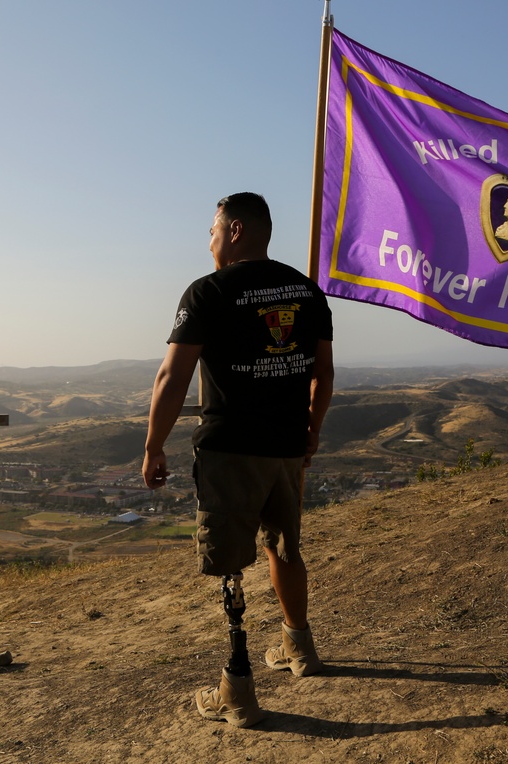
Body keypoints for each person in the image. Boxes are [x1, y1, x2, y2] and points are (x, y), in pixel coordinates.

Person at [143, 192, 334, 728]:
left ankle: (237, 688)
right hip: (286, 450)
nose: (208, 241)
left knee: (229, 562)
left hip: (231, 450)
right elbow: (324, 372)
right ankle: (299, 648)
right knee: (285, 547)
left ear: (234, 230)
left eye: (211, 230)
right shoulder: (306, 290)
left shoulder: (208, 292)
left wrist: (154, 444)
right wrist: (311, 430)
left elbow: (172, 377)